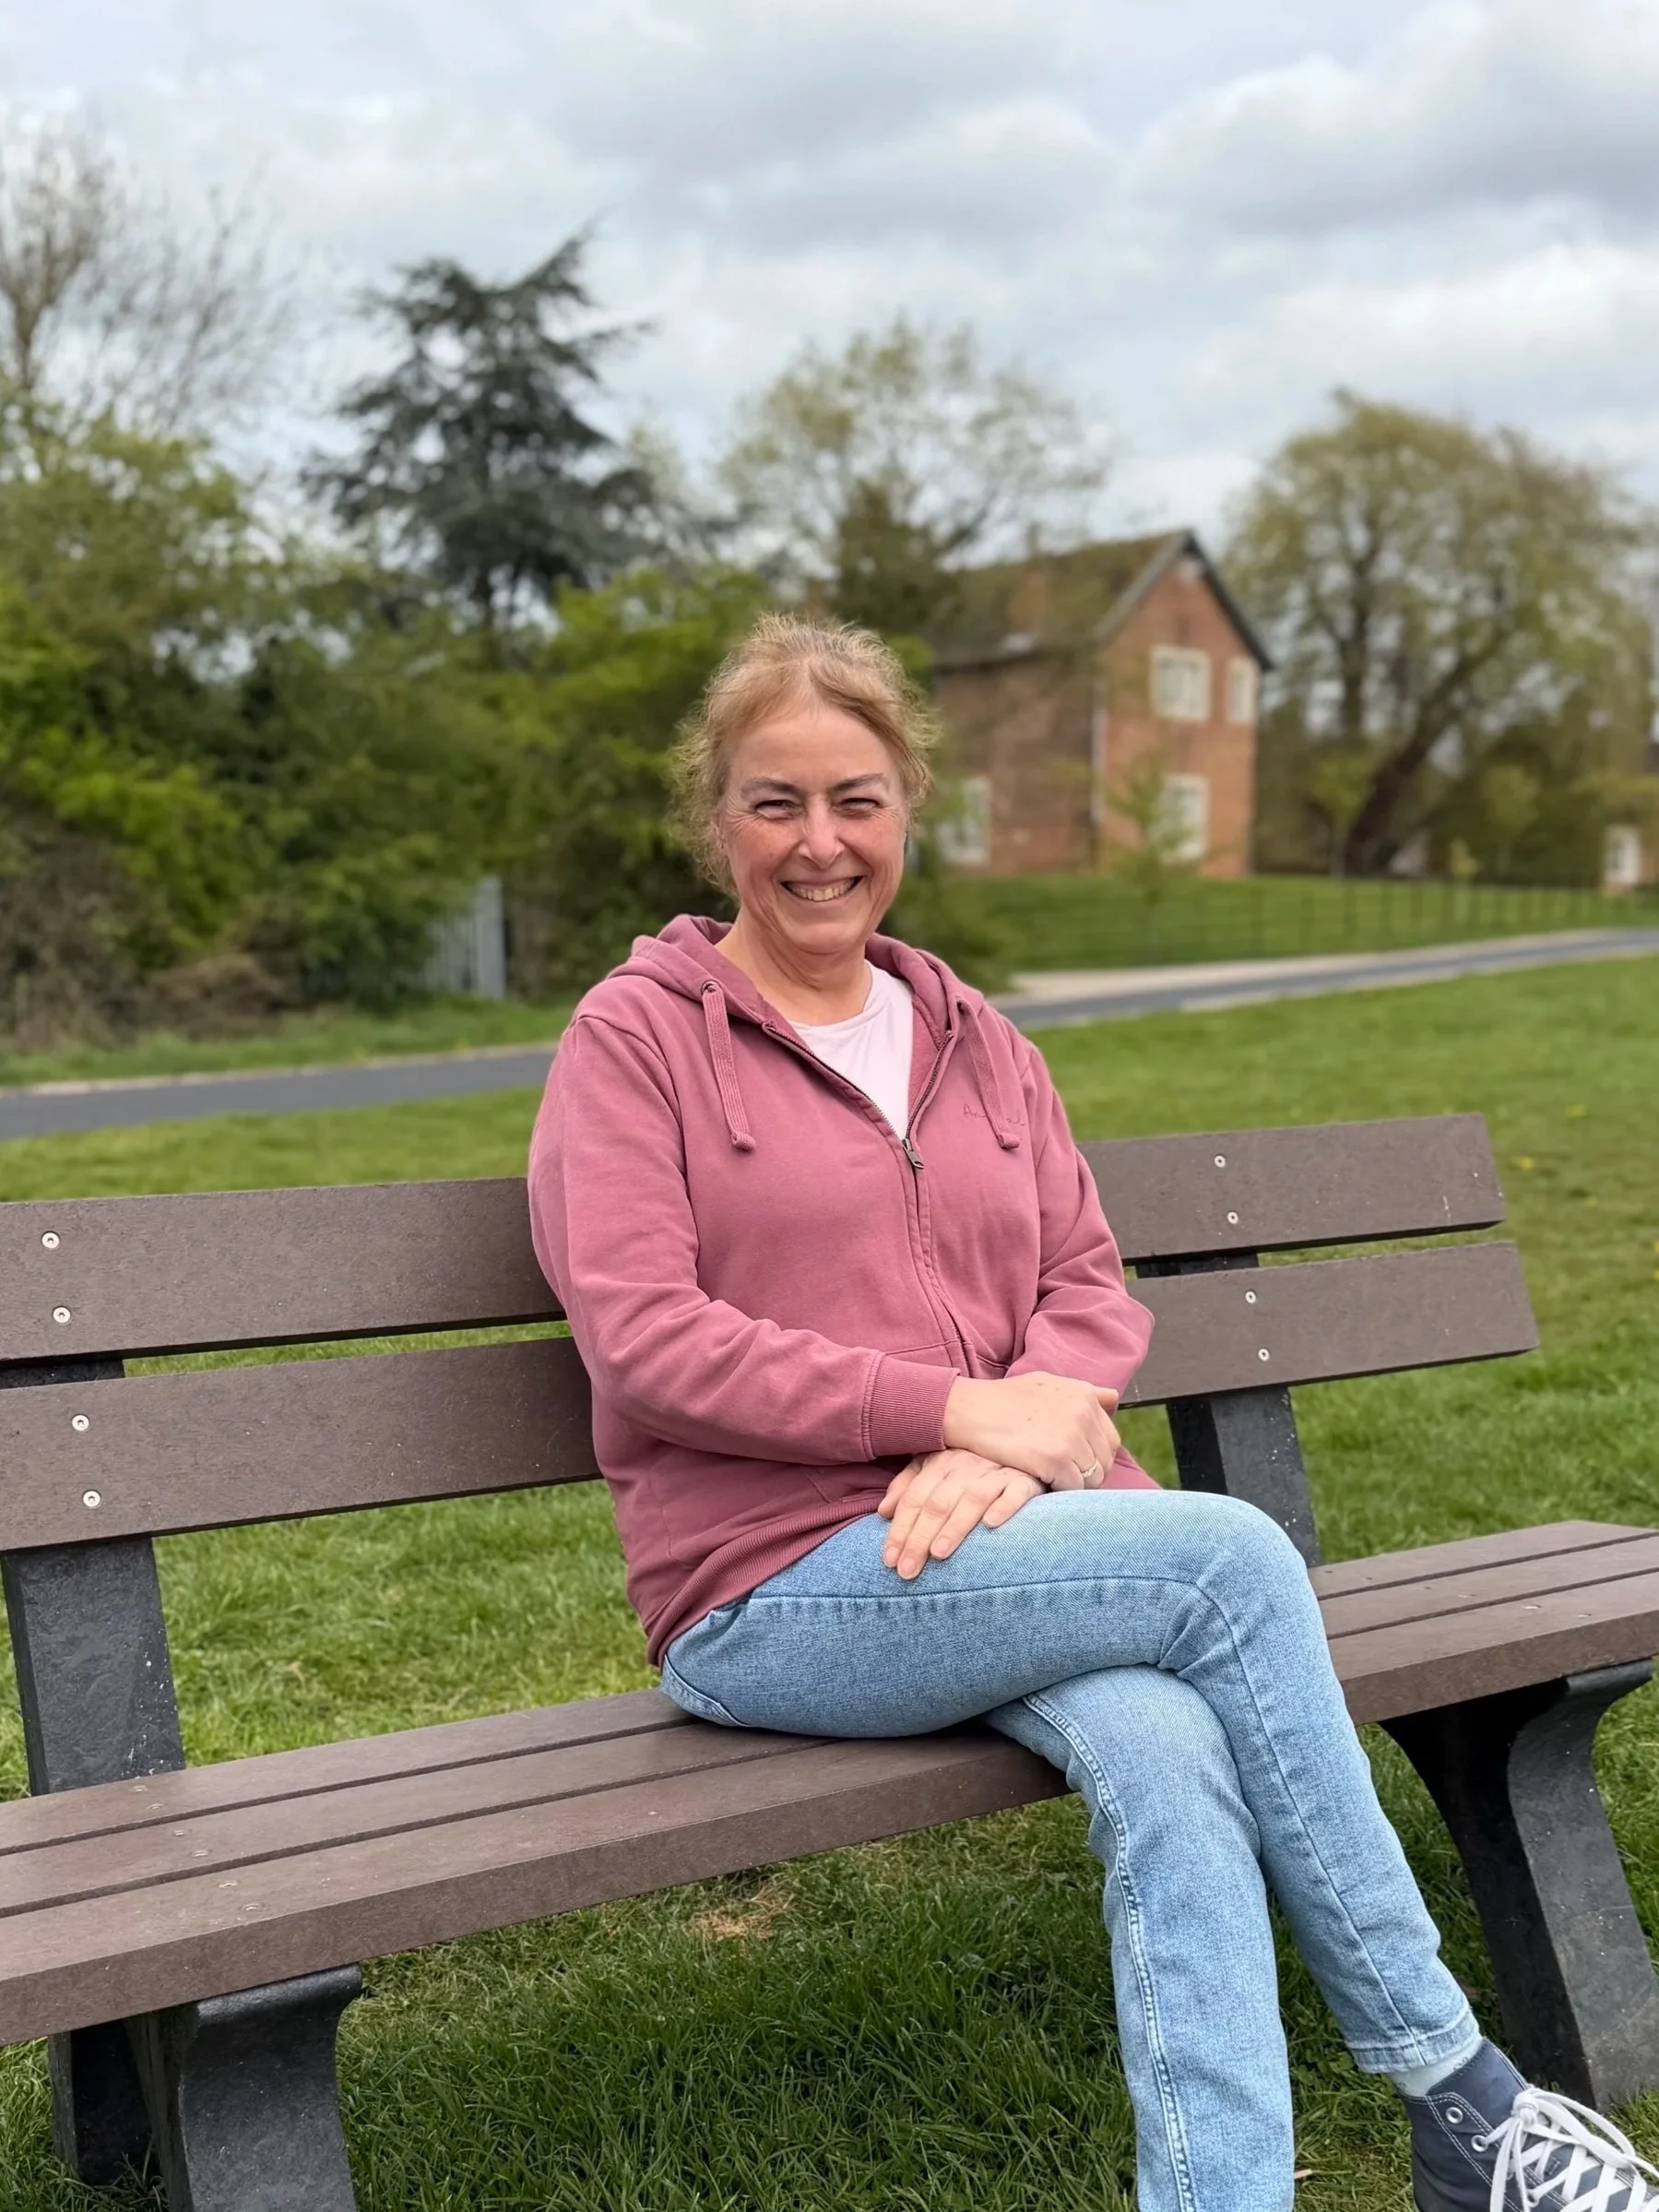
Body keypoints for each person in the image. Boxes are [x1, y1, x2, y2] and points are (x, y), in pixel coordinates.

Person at [527, 614, 1656, 2212]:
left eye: (854, 799)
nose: (817, 841)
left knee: (1169, 1744)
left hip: (1005, 1540)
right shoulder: (634, 1039)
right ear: (717, 822)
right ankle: (1462, 2095)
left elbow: (1083, 1279)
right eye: (774, 802)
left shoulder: (978, 1041)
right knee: (1231, 1560)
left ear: (907, 808)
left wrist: (996, 1438)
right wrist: (952, 1407)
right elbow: (646, 1339)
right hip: (769, 1585)